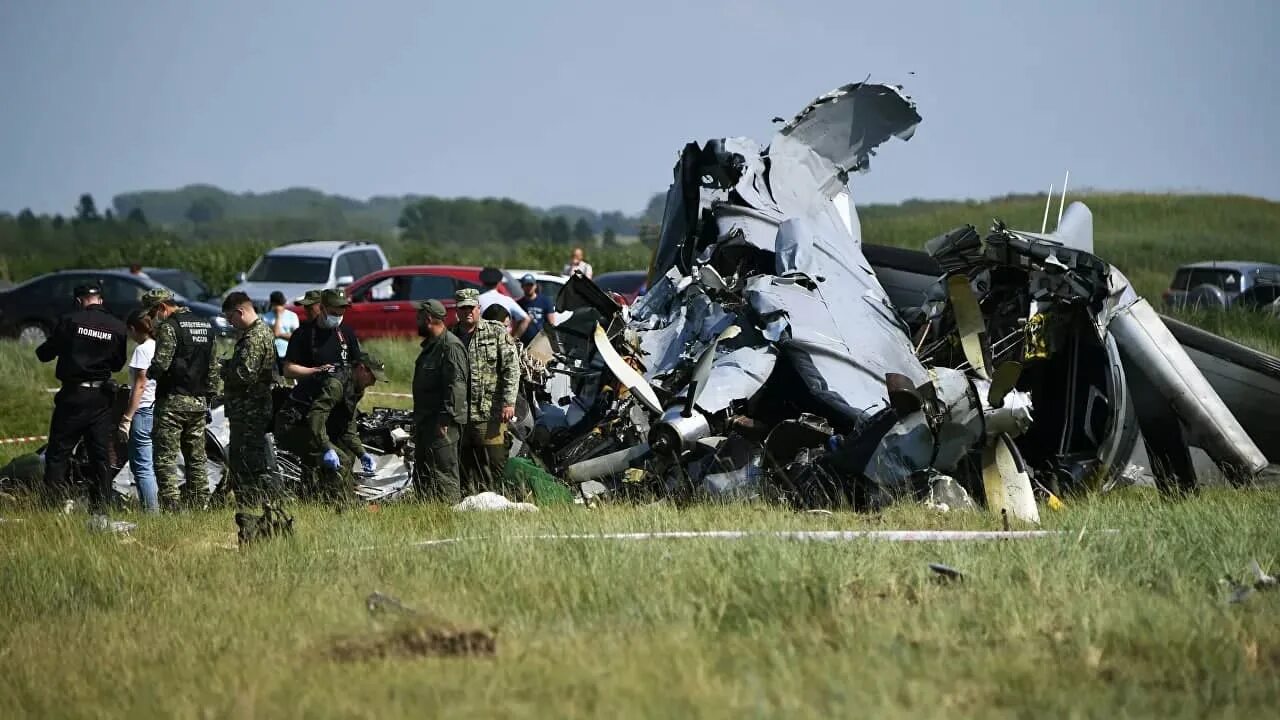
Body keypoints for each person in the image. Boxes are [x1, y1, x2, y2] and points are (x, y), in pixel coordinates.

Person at [35, 283, 128, 529]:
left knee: (58, 453)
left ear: (79, 301)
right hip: (101, 399)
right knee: (100, 455)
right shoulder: (117, 326)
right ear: (100, 299)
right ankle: (102, 507)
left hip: (73, 397)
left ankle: (51, 505)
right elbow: (118, 364)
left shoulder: (70, 320)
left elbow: (45, 353)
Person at [274, 351, 385, 505]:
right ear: (361, 368)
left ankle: (320, 496)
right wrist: (326, 447)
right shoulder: (335, 384)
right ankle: (342, 505)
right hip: (293, 425)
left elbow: (347, 426)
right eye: (372, 377)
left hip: (311, 425)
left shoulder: (353, 386)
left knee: (348, 453)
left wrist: (361, 453)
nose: (373, 383)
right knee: (342, 461)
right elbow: (315, 417)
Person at [144, 287, 219, 511]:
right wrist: (210, 396)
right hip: (198, 403)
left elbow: (161, 364)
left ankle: (171, 506)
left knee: (165, 458)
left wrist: (150, 372)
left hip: (172, 403)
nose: (151, 318)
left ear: (162, 307)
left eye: (151, 313)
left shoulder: (169, 327)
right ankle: (200, 504)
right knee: (196, 459)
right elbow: (213, 367)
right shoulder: (206, 325)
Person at [452, 288, 520, 495]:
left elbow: (511, 368)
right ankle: (468, 501)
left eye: (471, 308)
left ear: (478, 308)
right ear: (457, 311)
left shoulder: (496, 332)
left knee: (493, 462)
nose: (467, 312)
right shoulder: (451, 336)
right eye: (463, 308)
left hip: (490, 412)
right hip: (461, 414)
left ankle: (495, 501)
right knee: (464, 463)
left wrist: (509, 402)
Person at [220, 292, 280, 508]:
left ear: (240, 312)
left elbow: (245, 374)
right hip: (252, 409)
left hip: (249, 410)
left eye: (230, 318)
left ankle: (251, 503)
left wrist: (222, 369)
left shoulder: (254, 337)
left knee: (245, 460)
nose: (230, 323)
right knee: (252, 457)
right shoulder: (261, 332)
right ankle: (256, 500)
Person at [412, 299, 469, 503]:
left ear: (428, 319)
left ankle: (450, 517)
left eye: (418, 317)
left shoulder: (450, 346)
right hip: (426, 421)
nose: (415, 321)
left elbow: (457, 386)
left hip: (442, 424)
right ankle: (427, 516)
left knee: (444, 475)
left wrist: (445, 419)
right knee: (424, 475)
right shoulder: (431, 346)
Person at [119, 310, 159, 513]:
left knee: (142, 467)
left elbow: (140, 385)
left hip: (143, 410)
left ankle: (151, 513)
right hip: (157, 409)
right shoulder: (161, 347)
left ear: (134, 329)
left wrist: (127, 417)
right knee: (148, 464)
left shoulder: (142, 350)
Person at [283, 289, 360, 380]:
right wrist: (316, 371)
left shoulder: (347, 333)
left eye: (341, 314)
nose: (337, 318)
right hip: (311, 391)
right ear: (322, 308)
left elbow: (358, 366)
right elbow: (288, 370)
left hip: (342, 392)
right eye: (333, 314)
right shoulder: (302, 334)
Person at [476, 267, 530, 339]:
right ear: (499, 283)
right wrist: (514, 339)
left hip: (483, 341)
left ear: (483, 283)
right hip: (504, 343)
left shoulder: (477, 300)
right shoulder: (507, 300)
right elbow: (526, 319)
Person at [262, 291, 300, 374]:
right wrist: (278, 316)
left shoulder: (292, 316)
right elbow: (271, 335)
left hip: (289, 354)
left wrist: (280, 334)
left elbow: (296, 337)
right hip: (272, 355)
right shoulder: (266, 318)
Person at [516, 273, 556, 344]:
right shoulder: (519, 303)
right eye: (526, 285)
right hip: (523, 341)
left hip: (540, 340)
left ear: (535, 286)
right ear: (522, 286)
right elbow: (515, 323)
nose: (529, 288)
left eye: (531, 285)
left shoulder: (545, 301)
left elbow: (551, 323)